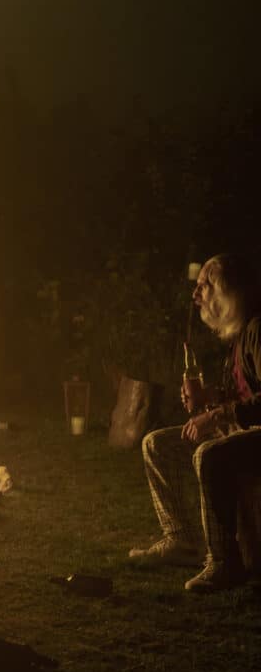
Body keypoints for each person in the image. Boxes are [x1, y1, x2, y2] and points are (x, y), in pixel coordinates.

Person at [130, 253, 261, 592]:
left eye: (205, 285)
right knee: (157, 444)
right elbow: (244, 395)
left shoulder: (259, 330)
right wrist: (210, 398)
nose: (196, 294)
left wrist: (216, 416)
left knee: (210, 454)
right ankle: (180, 539)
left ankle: (224, 562)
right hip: (247, 430)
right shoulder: (240, 334)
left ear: (229, 291)